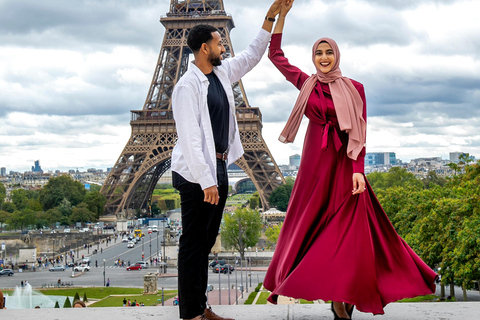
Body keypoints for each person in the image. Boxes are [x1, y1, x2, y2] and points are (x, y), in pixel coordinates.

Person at [263, 1, 437, 319]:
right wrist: (279, 18)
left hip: (345, 165)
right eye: (319, 53)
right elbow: (275, 56)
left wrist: (359, 170)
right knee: (311, 228)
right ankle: (329, 291)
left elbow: (360, 131)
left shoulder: (355, 88)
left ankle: (344, 296)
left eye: (329, 52)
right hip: (314, 166)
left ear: (337, 55)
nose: (324, 58)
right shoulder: (306, 84)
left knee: (349, 231)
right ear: (313, 57)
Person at [171, 1, 284, 319]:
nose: (224, 47)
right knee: (192, 244)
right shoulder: (185, 87)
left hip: (218, 166)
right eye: (220, 43)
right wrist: (206, 180)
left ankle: (200, 307)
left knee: (205, 244)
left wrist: (271, 18)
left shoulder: (220, 74)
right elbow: (191, 139)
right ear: (205, 48)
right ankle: (190, 313)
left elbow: (251, 56)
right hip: (196, 175)